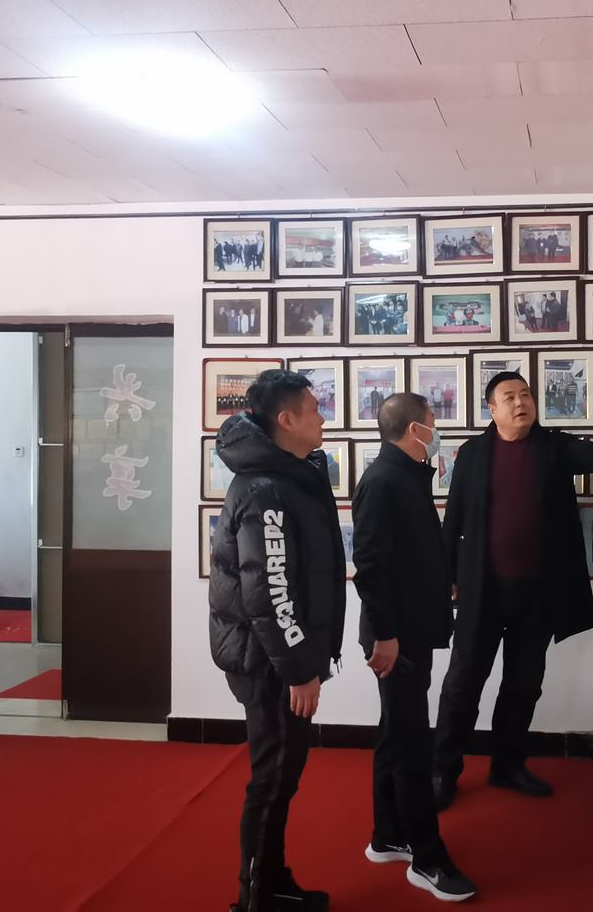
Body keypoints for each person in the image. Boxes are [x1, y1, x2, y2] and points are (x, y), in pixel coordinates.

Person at [433, 372, 593, 807]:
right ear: (492, 408)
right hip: (482, 592)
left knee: (524, 684)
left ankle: (508, 766)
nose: (520, 402)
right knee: (462, 684)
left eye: (526, 395)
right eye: (509, 397)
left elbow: (592, 454)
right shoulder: (472, 454)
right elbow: (455, 518)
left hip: (536, 594)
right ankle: (442, 771)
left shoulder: (552, 447)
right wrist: (447, 574)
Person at [208, 369, 345, 912]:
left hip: (278, 656)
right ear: (287, 420)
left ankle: (272, 882)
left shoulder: (290, 476)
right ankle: (255, 899)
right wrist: (299, 670)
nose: (322, 417)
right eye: (314, 409)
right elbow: (270, 592)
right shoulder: (265, 489)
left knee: (283, 775)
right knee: (272, 780)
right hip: (269, 662)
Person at [351, 393, 478, 902]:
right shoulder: (383, 480)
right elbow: (369, 565)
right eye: (432, 422)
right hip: (395, 638)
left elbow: (412, 552)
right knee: (411, 745)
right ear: (413, 430)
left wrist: (443, 581)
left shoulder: (408, 474)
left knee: (395, 734)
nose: (436, 430)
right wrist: (384, 635)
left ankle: (388, 835)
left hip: (410, 629)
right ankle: (427, 859)